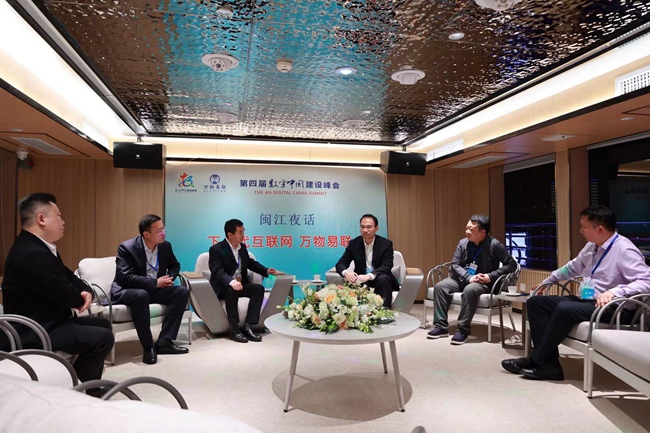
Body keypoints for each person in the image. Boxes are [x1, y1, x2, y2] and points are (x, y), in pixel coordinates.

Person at [502, 205, 650, 380]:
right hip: (589, 301)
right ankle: (550, 366)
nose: (581, 231)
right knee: (536, 303)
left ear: (599, 229)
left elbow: (646, 281)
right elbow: (571, 268)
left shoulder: (624, 250)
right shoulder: (591, 247)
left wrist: (615, 291)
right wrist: (546, 281)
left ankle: (535, 359)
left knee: (565, 308)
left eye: (584, 227)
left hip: (615, 308)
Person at [1, 193, 114, 384]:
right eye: (59, 215)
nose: (63, 221)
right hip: (34, 329)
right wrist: (80, 296)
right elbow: (66, 295)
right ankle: (81, 389)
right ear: (41, 219)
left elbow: (67, 274)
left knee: (103, 325)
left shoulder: (39, 246)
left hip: (50, 320)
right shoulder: (32, 253)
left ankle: (83, 383)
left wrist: (85, 290)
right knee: (102, 338)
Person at [111, 214, 190, 365]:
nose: (163, 233)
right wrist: (155, 283)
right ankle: (148, 347)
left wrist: (169, 279)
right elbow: (125, 277)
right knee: (142, 295)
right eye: (159, 230)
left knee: (182, 292)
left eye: (163, 228)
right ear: (146, 234)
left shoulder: (165, 246)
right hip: (130, 290)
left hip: (154, 289)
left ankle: (164, 341)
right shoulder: (127, 248)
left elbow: (174, 265)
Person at [427, 214, 516, 345]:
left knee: (470, 290)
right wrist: (469, 277)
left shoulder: (495, 245)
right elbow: (455, 264)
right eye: (466, 228)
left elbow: (511, 264)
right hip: (464, 278)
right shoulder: (463, 243)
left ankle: (463, 330)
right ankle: (441, 327)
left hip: (484, 282)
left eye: (471, 229)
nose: (467, 231)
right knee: (440, 287)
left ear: (482, 232)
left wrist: (490, 276)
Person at [208, 219, 277, 343]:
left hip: (240, 284)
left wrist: (265, 270)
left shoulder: (242, 248)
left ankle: (248, 326)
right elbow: (217, 271)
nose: (243, 235)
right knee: (232, 289)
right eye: (240, 232)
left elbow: (250, 263)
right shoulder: (217, 249)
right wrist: (231, 282)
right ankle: (234, 329)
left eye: (243, 232)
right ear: (230, 234)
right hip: (224, 287)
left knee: (258, 289)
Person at [334, 214, 400, 308]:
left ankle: (385, 311)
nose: (365, 230)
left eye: (369, 227)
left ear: (376, 228)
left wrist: (369, 276)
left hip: (379, 278)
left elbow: (387, 265)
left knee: (383, 279)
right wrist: (346, 273)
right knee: (351, 283)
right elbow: (341, 263)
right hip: (360, 279)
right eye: (362, 227)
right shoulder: (354, 243)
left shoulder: (385, 244)